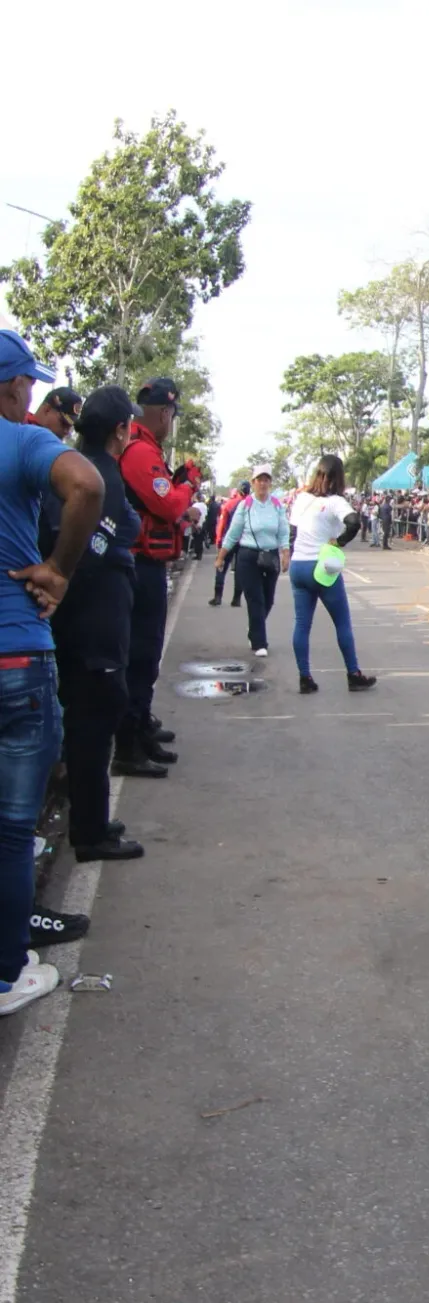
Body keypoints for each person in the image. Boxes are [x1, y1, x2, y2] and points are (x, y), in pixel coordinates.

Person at [0, 329, 107, 1010]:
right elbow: (87, 486)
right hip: (14, 655)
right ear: (10, 386)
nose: (32, 398)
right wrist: (58, 572)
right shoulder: (21, 441)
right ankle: (7, 973)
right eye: (28, 386)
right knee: (11, 827)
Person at [45, 387, 143, 864]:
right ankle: (89, 832)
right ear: (120, 430)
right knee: (94, 719)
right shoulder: (95, 476)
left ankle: (95, 817)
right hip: (92, 620)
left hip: (93, 616)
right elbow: (111, 538)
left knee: (96, 716)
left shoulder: (88, 469)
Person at [114, 377, 196, 777]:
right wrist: (188, 487)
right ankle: (129, 747)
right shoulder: (140, 450)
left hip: (146, 563)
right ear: (165, 413)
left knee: (145, 657)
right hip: (138, 564)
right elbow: (166, 505)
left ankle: (140, 731)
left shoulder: (145, 448)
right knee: (141, 657)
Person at [289, 455, 374, 694]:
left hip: (298, 566)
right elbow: (354, 522)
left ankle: (304, 677)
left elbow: (292, 530)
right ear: (339, 477)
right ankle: (353, 674)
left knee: (302, 625)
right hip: (322, 567)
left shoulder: (302, 499)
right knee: (342, 623)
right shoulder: (336, 501)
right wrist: (339, 542)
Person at [218, 465, 289, 659]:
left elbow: (283, 531)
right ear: (253, 483)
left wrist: (285, 553)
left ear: (270, 483)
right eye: (260, 480)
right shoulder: (245, 505)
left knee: (268, 599)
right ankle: (259, 642)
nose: (263, 483)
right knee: (255, 599)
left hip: (270, 555)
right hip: (248, 557)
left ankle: (254, 627)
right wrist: (221, 556)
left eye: (266, 480)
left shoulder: (277, 505)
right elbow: (233, 533)